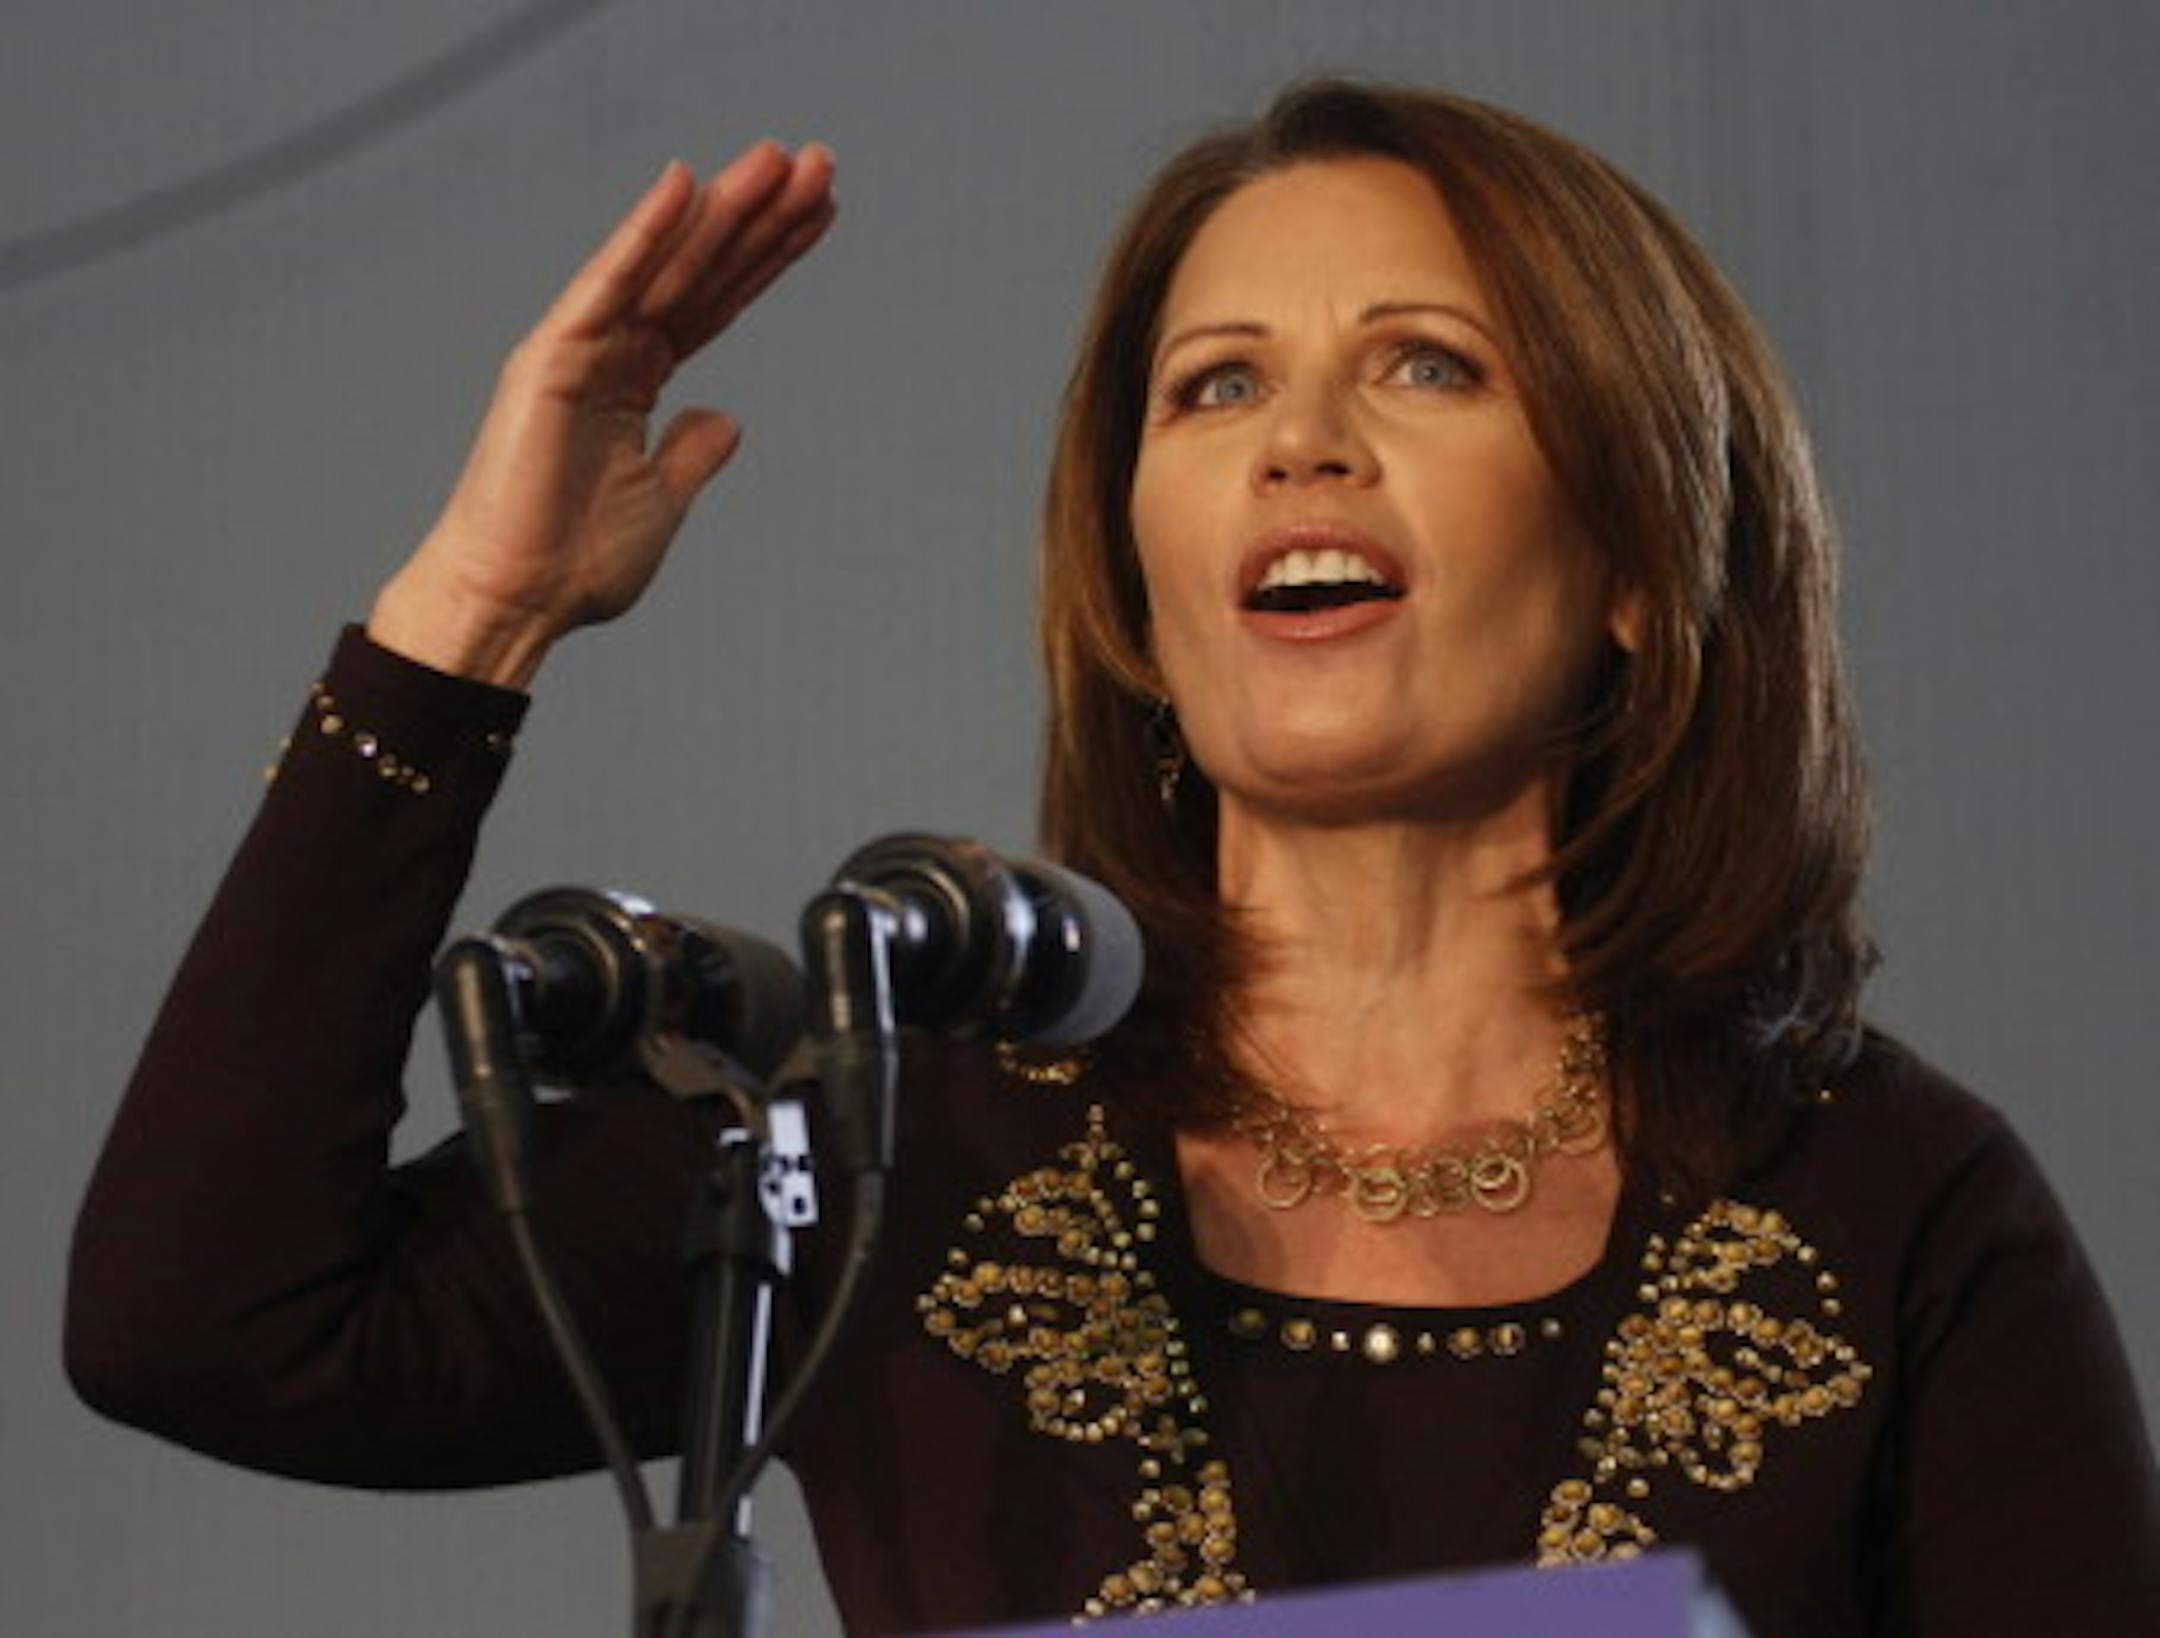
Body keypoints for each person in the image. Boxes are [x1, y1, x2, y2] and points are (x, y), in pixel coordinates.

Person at [66, 80, 2158, 1636]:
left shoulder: (1889, 1203)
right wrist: (472, 616)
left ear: (1637, 553)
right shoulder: (885, 1144)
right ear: (1142, 594)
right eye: (1214, 386)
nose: (1298, 442)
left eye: (1426, 365)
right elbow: (214, 1321)